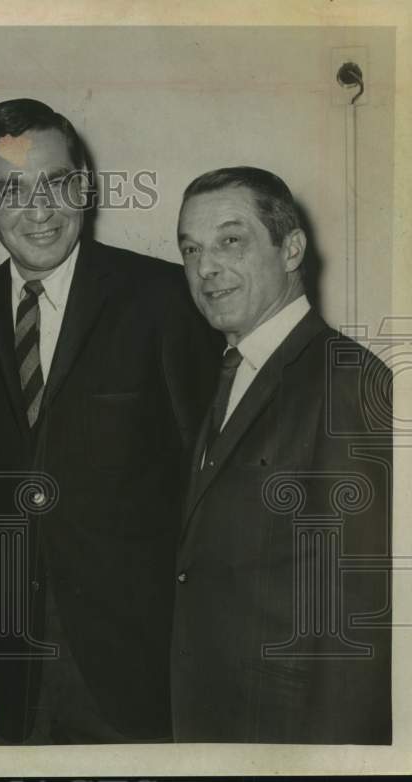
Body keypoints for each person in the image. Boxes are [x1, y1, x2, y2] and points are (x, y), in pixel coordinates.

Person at [0, 98, 219, 744]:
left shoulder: (164, 300)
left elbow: (207, 489)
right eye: (12, 190)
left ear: (85, 186)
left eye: (57, 183)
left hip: (141, 661)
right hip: (16, 656)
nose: (39, 210)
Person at [171, 166, 392, 743]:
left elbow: (356, 617)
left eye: (231, 240)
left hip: (289, 736)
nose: (206, 267)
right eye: (191, 249)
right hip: (217, 723)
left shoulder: (345, 380)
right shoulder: (227, 375)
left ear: (291, 248)